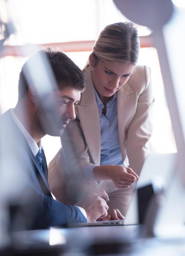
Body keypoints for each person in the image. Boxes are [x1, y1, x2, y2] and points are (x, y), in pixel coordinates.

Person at [49, 22, 154, 216]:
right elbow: (78, 162)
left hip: (119, 178)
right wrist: (92, 197)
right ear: (93, 60)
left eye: (125, 76)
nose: (115, 84)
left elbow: (140, 143)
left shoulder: (142, 80)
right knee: (90, 227)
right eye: (109, 72)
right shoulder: (74, 90)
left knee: (123, 229)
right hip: (77, 176)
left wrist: (148, 189)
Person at [0, 49, 110, 230]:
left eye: (74, 104)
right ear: (35, 95)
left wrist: (86, 211)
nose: (72, 114)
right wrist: (83, 214)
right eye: (64, 101)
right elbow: (31, 208)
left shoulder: (33, 146)